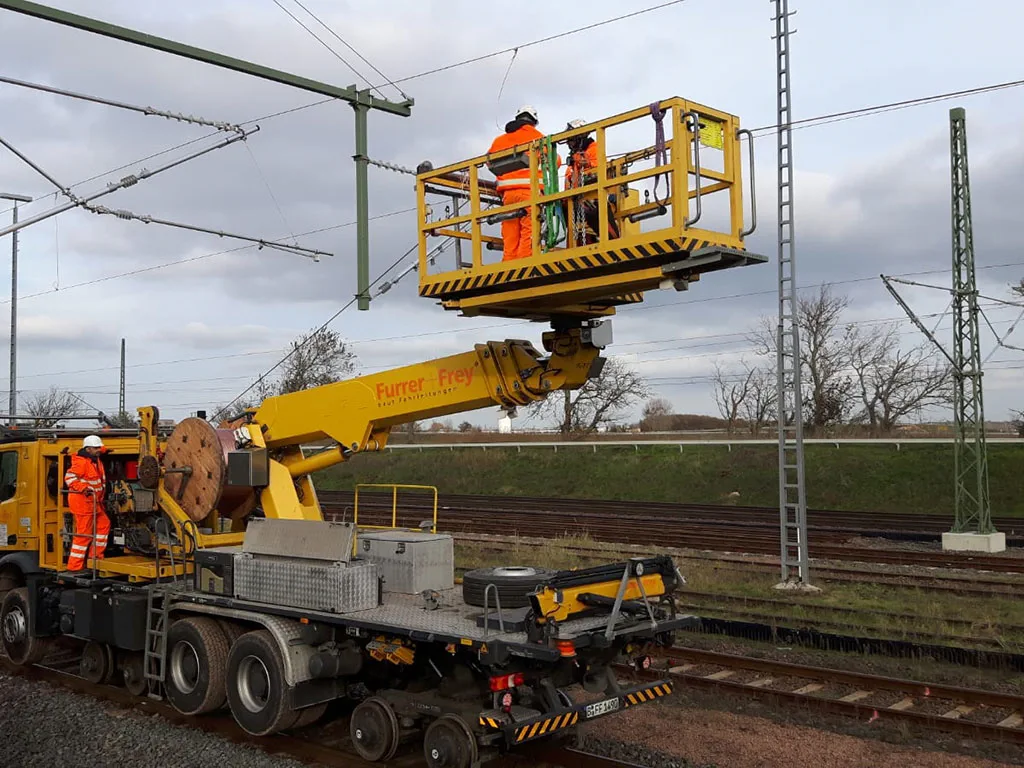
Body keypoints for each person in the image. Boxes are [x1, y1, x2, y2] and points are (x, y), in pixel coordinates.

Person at [487, 105, 559, 261]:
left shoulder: (499, 140)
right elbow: (556, 161)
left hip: (508, 196)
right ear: (533, 121)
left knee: (510, 234)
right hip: (529, 193)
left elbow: (489, 162)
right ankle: (525, 265)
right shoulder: (537, 137)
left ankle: (509, 266)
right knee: (529, 231)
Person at [562, 118, 619, 245]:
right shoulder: (575, 158)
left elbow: (596, 169)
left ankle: (614, 242)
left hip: (593, 197)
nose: (569, 144)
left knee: (595, 212)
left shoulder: (594, 149)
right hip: (576, 200)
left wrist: (583, 164)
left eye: (571, 140)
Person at [64, 435, 109, 572]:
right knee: (83, 535)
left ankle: (95, 557)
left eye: (99, 448)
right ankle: (74, 566)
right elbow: (69, 478)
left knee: (104, 524)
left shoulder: (94, 459)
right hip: (83, 503)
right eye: (95, 448)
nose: (98, 450)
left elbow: (102, 449)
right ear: (88, 449)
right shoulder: (81, 462)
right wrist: (84, 488)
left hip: (94, 502)